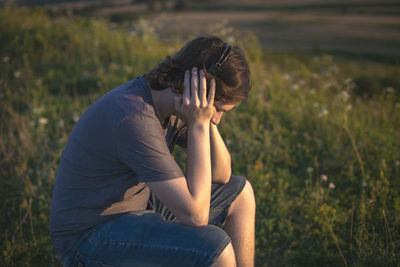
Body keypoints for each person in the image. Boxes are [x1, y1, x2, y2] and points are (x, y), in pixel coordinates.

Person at [50, 36, 256, 267]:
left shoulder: (171, 103)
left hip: (136, 209)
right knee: (215, 248)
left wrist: (206, 121)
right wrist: (199, 123)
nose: (217, 117)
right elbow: (196, 216)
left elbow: (221, 174)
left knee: (241, 194)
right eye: (217, 109)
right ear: (198, 90)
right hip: (89, 237)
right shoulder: (134, 117)